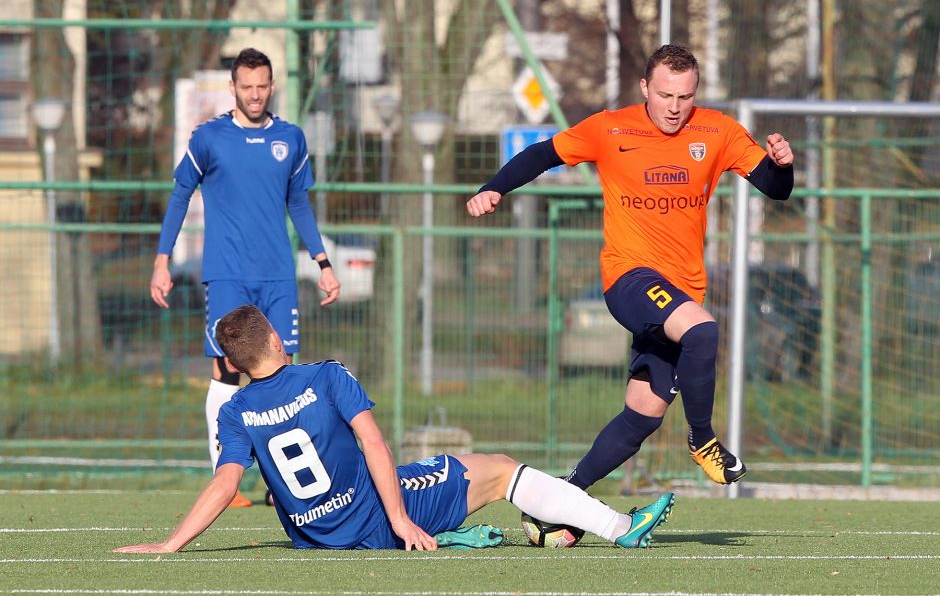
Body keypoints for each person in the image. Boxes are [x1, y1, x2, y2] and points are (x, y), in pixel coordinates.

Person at [466, 44, 794, 488]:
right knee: (703, 330)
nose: (675, 108)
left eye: (685, 97)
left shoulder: (718, 131)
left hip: (682, 291)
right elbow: (543, 154)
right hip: (629, 276)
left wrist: (783, 166)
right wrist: (494, 188)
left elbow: (775, 189)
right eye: (664, 96)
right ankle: (702, 440)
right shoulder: (611, 127)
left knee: (644, 414)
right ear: (645, 87)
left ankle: (561, 500)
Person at [113, 305, 675, 553]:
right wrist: (400, 519)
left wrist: (170, 544)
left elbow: (224, 485)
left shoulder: (236, 412)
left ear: (235, 365)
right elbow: (375, 443)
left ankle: (451, 532)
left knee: (435, 477)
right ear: (278, 343)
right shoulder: (326, 376)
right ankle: (618, 525)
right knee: (501, 469)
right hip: (376, 518)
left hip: (314, 536)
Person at [150, 48, 341, 507]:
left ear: (271, 86)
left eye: (262, 86)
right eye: (246, 87)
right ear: (233, 88)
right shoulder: (209, 138)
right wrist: (161, 259)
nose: (254, 95)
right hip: (228, 275)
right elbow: (180, 197)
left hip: (277, 275)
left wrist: (323, 262)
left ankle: (285, 485)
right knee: (227, 369)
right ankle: (226, 478)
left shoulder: (291, 139)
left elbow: (299, 204)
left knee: (285, 374)